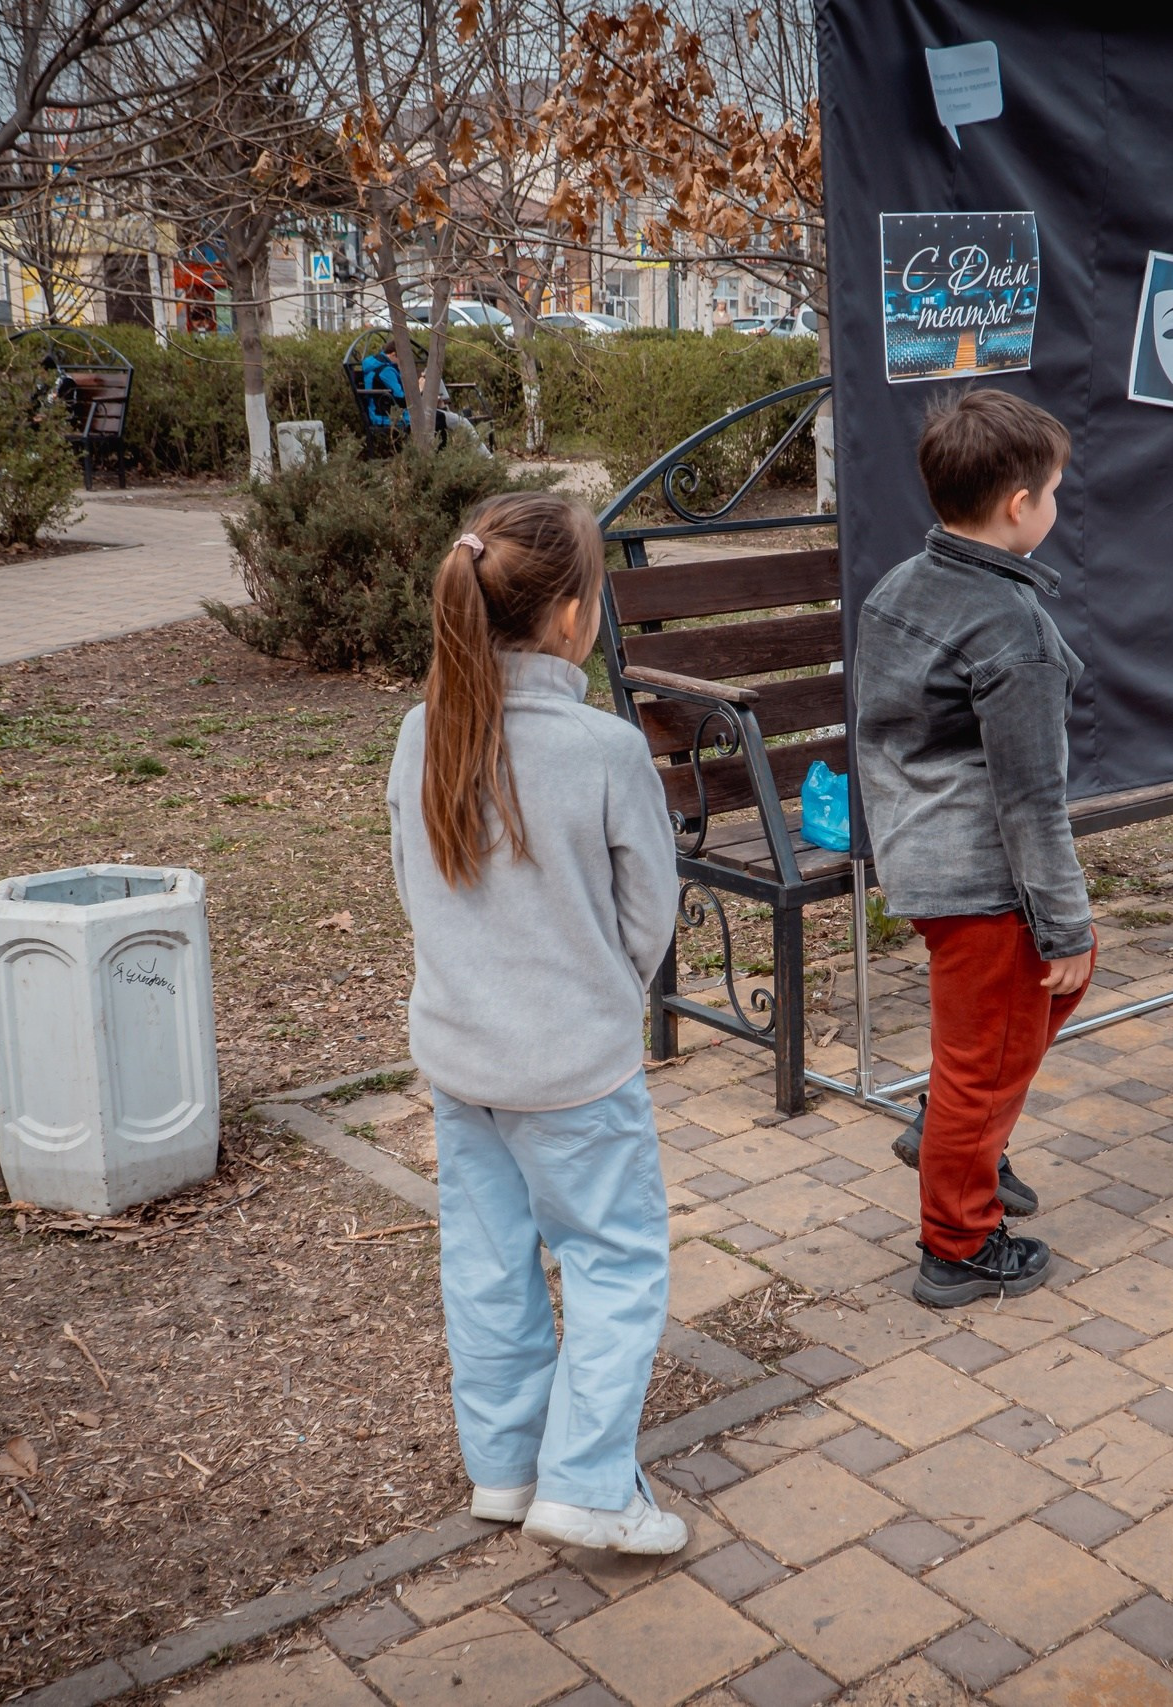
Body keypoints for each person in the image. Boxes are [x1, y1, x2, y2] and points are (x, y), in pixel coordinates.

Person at [385, 492, 685, 1554]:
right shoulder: (604, 749)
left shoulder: (421, 732)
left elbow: (414, 892)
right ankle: (589, 1485)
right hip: (577, 1072)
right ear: (570, 617)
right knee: (614, 1264)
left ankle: (506, 1472)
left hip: (463, 1061)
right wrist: (604, 995)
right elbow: (651, 914)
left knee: (486, 1263)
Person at [855, 390, 1093, 1308]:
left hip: (920, 860)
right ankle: (956, 1242)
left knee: (1010, 1025)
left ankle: (956, 1127)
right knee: (985, 1052)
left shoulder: (898, 585)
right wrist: (1063, 920)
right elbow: (1031, 801)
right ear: (1018, 507)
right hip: (979, 879)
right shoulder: (1014, 630)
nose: (1056, 506)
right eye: (1056, 492)